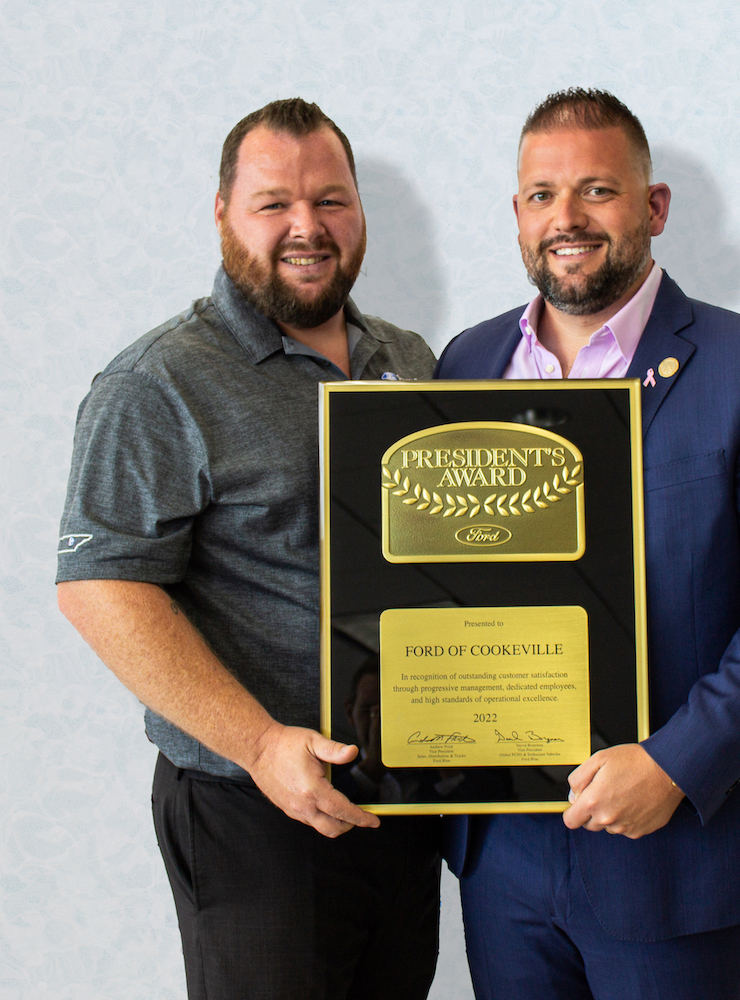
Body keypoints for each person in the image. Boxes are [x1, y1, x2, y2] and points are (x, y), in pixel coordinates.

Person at [435, 88, 740, 1000]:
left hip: (672, 848)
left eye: (598, 190)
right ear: (516, 215)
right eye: (542, 195)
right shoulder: (465, 364)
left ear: (654, 207)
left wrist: (674, 762)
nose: (568, 218)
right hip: (501, 851)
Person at [56, 99, 439, 1000]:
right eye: (273, 204)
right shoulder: (157, 383)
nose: (306, 228)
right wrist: (263, 744)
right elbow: (99, 587)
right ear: (223, 213)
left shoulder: (412, 361)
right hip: (250, 809)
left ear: (361, 217)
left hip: (403, 799)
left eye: (331, 201)